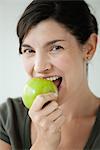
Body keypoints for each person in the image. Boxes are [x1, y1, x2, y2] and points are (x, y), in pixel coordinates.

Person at [0, 0, 100, 149]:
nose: (39, 67)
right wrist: (43, 143)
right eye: (29, 50)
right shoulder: (8, 118)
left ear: (89, 48)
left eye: (56, 47)